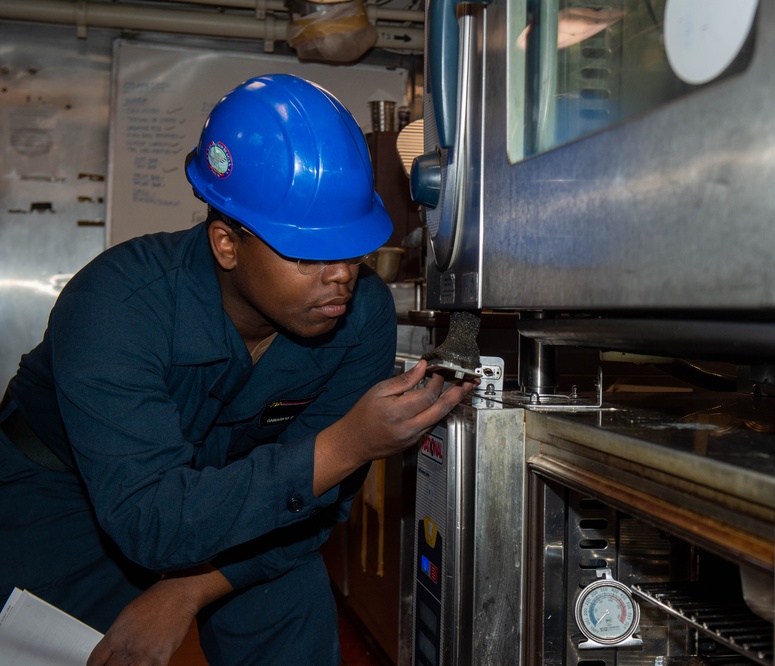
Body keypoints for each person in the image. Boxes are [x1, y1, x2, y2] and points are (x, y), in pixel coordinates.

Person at [0, 73, 476, 665]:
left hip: (247, 502)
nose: (341, 278)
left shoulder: (361, 316)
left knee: (294, 604)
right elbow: (149, 518)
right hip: (68, 499)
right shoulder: (116, 304)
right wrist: (348, 444)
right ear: (227, 244)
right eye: (308, 254)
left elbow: (318, 501)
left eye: (351, 250)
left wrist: (188, 591)